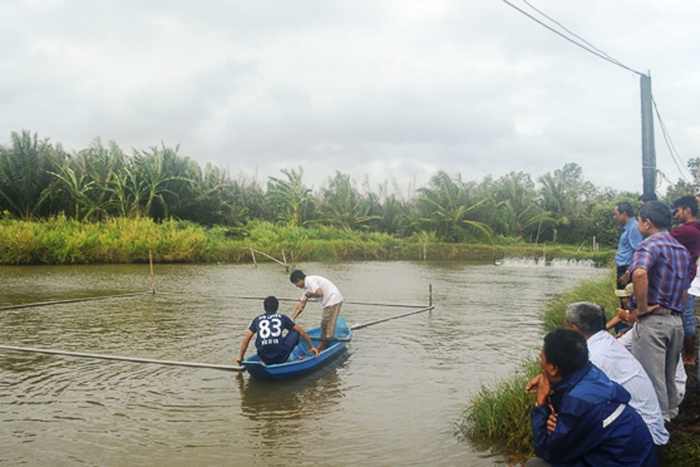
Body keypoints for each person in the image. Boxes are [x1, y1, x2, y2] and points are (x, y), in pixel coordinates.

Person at [525, 329, 657, 466]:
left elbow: (548, 452)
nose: (541, 363)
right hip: (632, 458)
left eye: (542, 358)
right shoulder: (592, 373)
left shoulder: (578, 404)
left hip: (622, 461)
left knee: (535, 464)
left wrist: (541, 403)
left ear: (553, 369)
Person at [616, 200, 692, 421]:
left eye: (639, 221)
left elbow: (639, 274)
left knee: (650, 377)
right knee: (668, 374)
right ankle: (669, 414)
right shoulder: (682, 250)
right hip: (675, 321)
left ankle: (656, 426)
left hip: (654, 322)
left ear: (647, 223)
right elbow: (686, 290)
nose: (638, 225)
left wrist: (642, 308)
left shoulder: (649, 245)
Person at [564, 301, 669, 445]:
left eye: (566, 325)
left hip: (643, 436)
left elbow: (577, 402)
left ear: (574, 329)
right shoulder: (606, 341)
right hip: (645, 426)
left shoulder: (594, 357)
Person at [236, 295, 319, 365]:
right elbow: (302, 332)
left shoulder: (257, 320)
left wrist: (241, 357)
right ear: (277, 308)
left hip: (263, 356)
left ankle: (264, 362)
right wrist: (312, 347)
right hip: (280, 356)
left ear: (264, 308)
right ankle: (284, 360)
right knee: (295, 332)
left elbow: (245, 341)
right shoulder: (282, 317)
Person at [670, 195, 700, 365]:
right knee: (686, 315)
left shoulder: (687, 230)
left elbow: (661, 236)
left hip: (683, 279)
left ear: (687, 210)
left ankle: (689, 356)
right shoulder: (695, 228)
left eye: (679, 210)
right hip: (687, 276)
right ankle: (689, 354)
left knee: (686, 315)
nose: (676, 214)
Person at [290, 270, 344, 352]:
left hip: (333, 299)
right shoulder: (305, 288)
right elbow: (302, 304)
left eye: (296, 284)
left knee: (328, 324)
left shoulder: (310, 281)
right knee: (324, 324)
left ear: (299, 280)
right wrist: (293, 317)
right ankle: (322, 345)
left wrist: (311, 295)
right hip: (328, 302)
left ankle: (325, 346)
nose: (296, 286)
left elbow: (320, 293)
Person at [613, 202, 643, 298]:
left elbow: (638, 252)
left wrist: (627, 273)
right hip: (623, 268)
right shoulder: (627, 228)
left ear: (624, 214)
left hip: (627, 269)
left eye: (616, 214)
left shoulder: (634, 228)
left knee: (627, 300)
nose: (614, 217)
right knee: (622, 298)